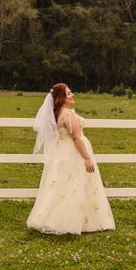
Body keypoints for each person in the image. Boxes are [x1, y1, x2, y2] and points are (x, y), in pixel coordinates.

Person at [26, 83, 115, 234]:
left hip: (61, 152)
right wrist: (87, 158)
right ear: (61, 98)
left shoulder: (57, 114)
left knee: (61, 186)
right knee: (76, 184)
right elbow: (76, 139)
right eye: (68, 94)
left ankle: (53, 219)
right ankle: (75, 221)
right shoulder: (68, 114)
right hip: (74, 152)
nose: (72, 95)